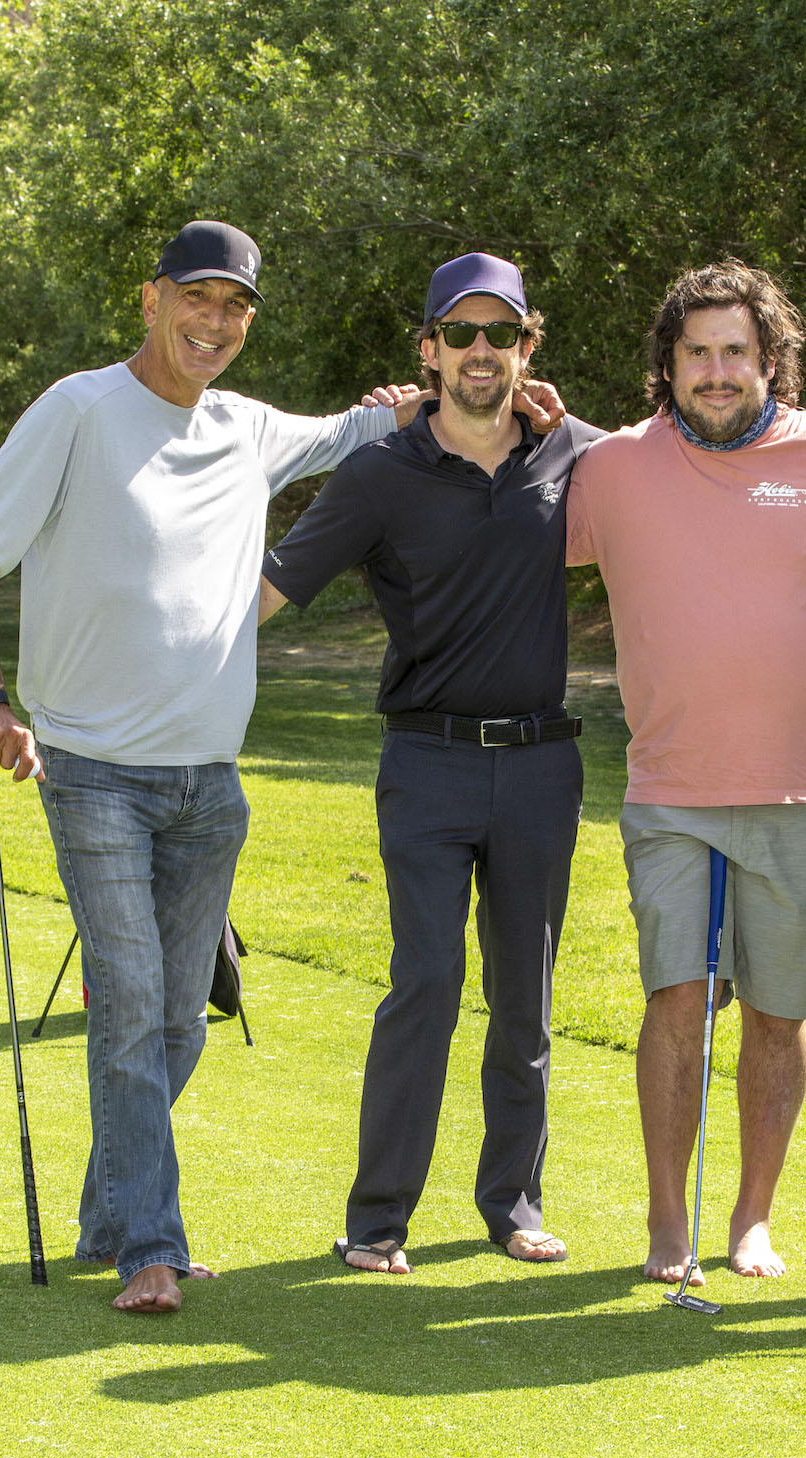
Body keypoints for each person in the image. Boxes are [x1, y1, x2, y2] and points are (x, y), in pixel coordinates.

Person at [0, 222, 555, 1314]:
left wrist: (491, 395)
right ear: (151, 298)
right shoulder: (76, 411)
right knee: (128, 1006)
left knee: (178, 1020)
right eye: (197, 299)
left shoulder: (247, 428)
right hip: (94, 771)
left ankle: (110, 1212)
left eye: (235, 307)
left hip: (209, 786)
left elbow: (366, 424)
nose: (214, 324)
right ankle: (150, 1247)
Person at [259, 253, 606, 1275]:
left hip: (542, 766)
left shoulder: (571, 457)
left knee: (527, 995)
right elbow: (266, 597)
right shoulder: (379, 476)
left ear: (527, 348)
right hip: (428, 763)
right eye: (462, 334)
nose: (481, 352)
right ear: (429, 350)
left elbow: (672, 481)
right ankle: (378, 1220)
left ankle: (513, 1202)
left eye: (502, 334)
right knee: (427, 981)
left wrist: (570, 423)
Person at [565, 261, 806, 1287]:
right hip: (672, 790)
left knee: (780, 1018)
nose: (716, 369)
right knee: (677, 1004)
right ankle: (666, 1224)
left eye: (735, 349)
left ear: (770, 357)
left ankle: (750, 1220)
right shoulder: (611, 468)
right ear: (667, 365)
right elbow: (497, 507)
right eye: (696, 351)